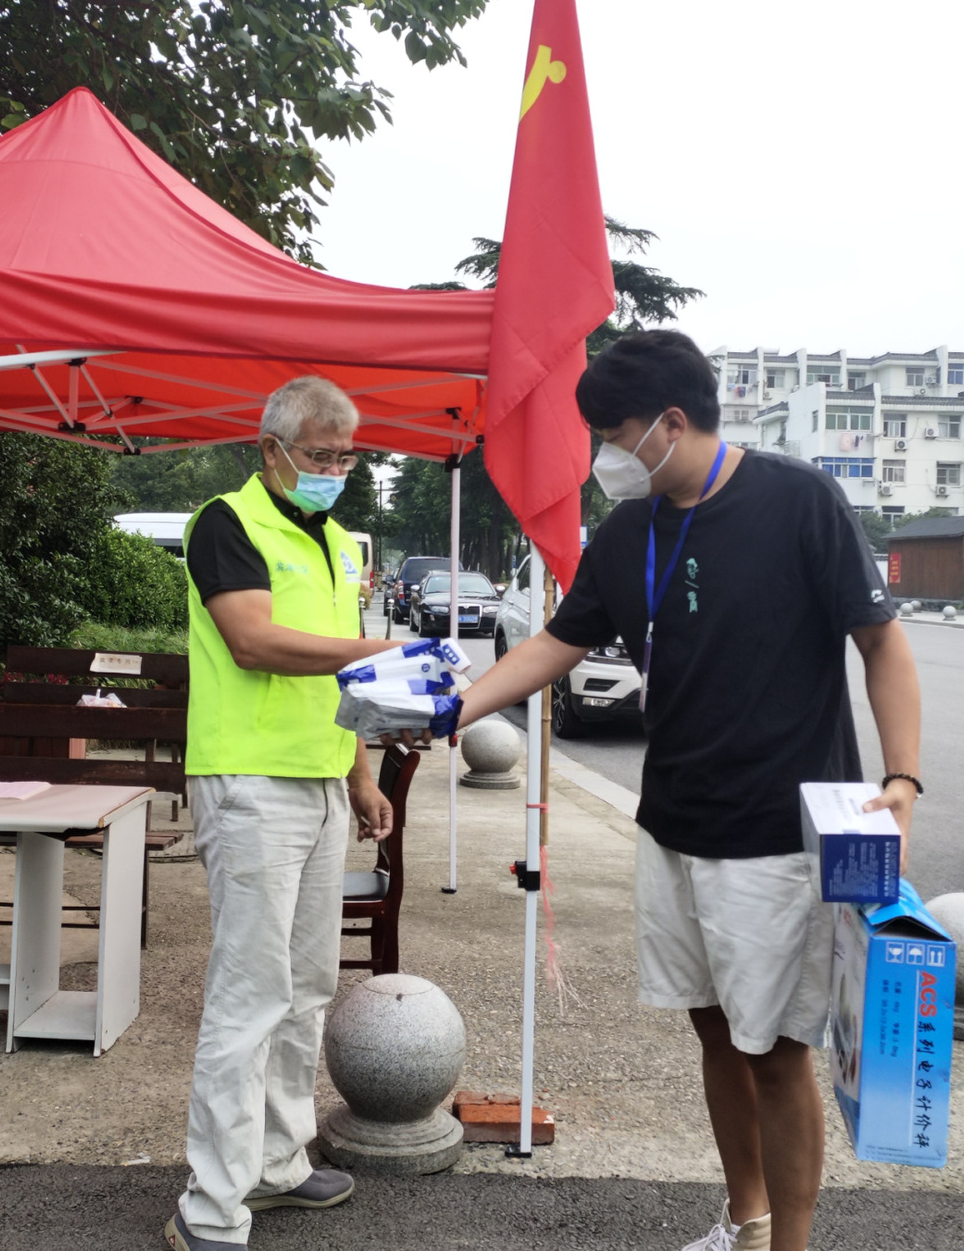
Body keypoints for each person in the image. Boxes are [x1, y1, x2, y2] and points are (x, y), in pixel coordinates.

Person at [454, 330, 921, 1251]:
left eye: (613, 435)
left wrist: (900, 777)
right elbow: (558, 643)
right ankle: (744, 1220)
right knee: (713, 1034)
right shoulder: (629, 530)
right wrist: (453, 707)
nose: (605, 459)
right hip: (671, 824)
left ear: (670, 422)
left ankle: (788, 1245)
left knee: (776, 1054)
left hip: (775, 836)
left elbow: (881, 642)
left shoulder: (797, 499)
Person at [167, 377, 402, 1251]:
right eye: (319, 455)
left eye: (347, 457)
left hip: (317, 779)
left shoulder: (338, 543)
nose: (334, 471)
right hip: (248, 781)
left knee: (306, 988)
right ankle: (211, 1200)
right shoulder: (225, 523)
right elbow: (252, 641)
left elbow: (342, 684)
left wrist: (360, 774)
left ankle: (276, 1160)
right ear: (269, 449)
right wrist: (381, 649)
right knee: (249, 993)